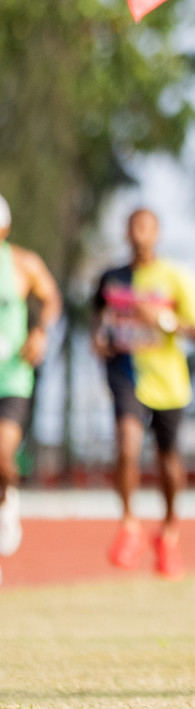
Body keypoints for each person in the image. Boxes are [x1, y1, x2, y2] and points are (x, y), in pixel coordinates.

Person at [92, 209, 195, 581]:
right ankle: (130, 526)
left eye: (146, 228)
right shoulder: (111, 279)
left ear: (157, 233)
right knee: (127, 445)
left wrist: (163, 321)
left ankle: (170, 533)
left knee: (168, 461)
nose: (139, 235)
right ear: (126, 233)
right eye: (132, 227)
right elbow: (97, 320)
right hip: (126, 375)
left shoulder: (176, 277)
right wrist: (99, 339)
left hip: (168, 382)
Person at [0, 195, 62, 584]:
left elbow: (50, 297)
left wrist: (40, 331)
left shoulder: (22, 263)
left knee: (1, 454)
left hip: (11, 378)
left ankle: (5, 501)